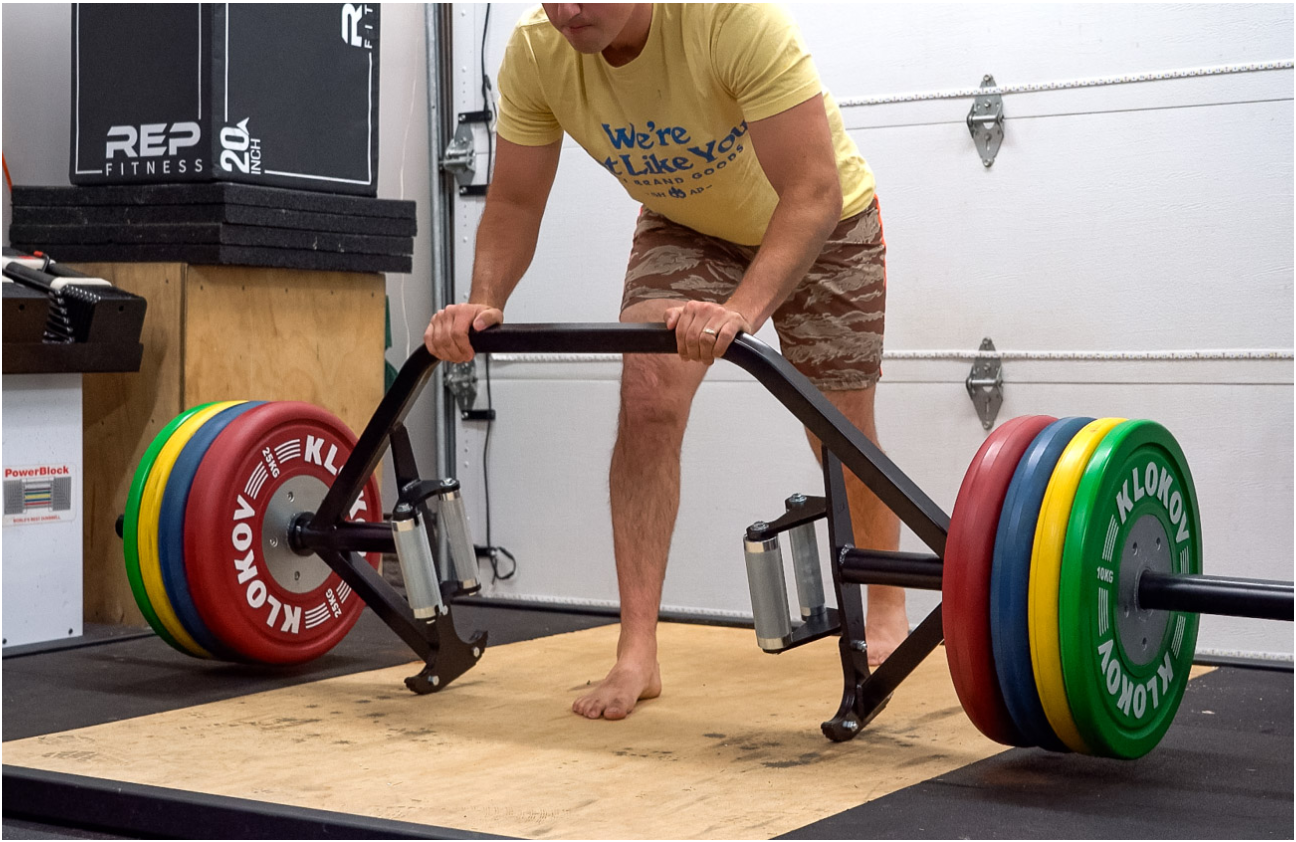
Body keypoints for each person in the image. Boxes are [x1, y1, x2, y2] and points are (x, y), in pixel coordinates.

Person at [424, 3, 907, 721]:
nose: (567, 9)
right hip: (688, 226)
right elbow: (516, 200)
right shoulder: (536, 51)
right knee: (648, 395)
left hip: (824, 223)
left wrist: (740, 309)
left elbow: (812, 190)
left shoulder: (731, 22)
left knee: (835, 426)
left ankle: (889, 606)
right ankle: (637, 653)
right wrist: (481, 301)